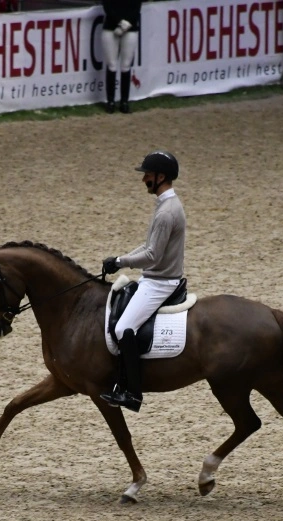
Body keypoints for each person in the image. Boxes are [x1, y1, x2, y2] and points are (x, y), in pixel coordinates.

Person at [100, 151, 186, 412]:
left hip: (160, 282)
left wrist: (120, 262)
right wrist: (120, 257)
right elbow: (149, 246)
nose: (144, 180)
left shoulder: (166, 212)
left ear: (161, 176)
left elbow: (152, 255)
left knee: (122, 328)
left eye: (147, 175)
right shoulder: (166, 205)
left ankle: (132, 393)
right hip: (156, 277)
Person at [101, 0, 141, 113]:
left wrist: (126, 24)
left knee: (126, 65)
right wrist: (119, 21)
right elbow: (107, 6)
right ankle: (111, 101)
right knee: (111, 65)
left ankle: (124, 101)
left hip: (130, 27)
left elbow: (136, 8)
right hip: (111, 27)